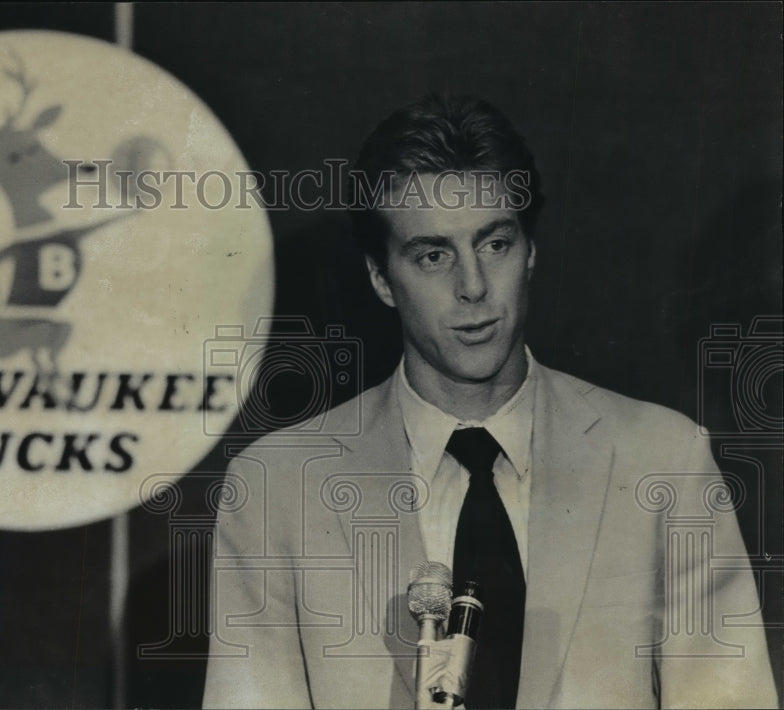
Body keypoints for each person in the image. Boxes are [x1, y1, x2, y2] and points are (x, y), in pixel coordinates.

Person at [201, 95, 777, 709]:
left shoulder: (663, 459)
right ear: (379, 277)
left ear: (531, 251)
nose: (472, 287)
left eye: (495, 244)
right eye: (433, 255)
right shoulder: (274, 489)